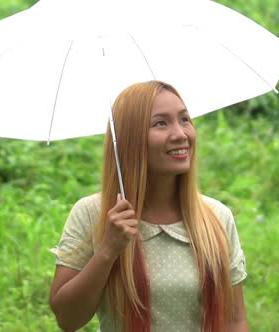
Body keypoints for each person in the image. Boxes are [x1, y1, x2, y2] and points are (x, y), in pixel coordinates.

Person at [49, 80, 248, 332]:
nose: (180, 134)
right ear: (129, 139)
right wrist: (109, 248)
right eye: (160, 123)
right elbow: (68, 319)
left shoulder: (216, 217)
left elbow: (234, 320)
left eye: (184, 119)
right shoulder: (92, 214)